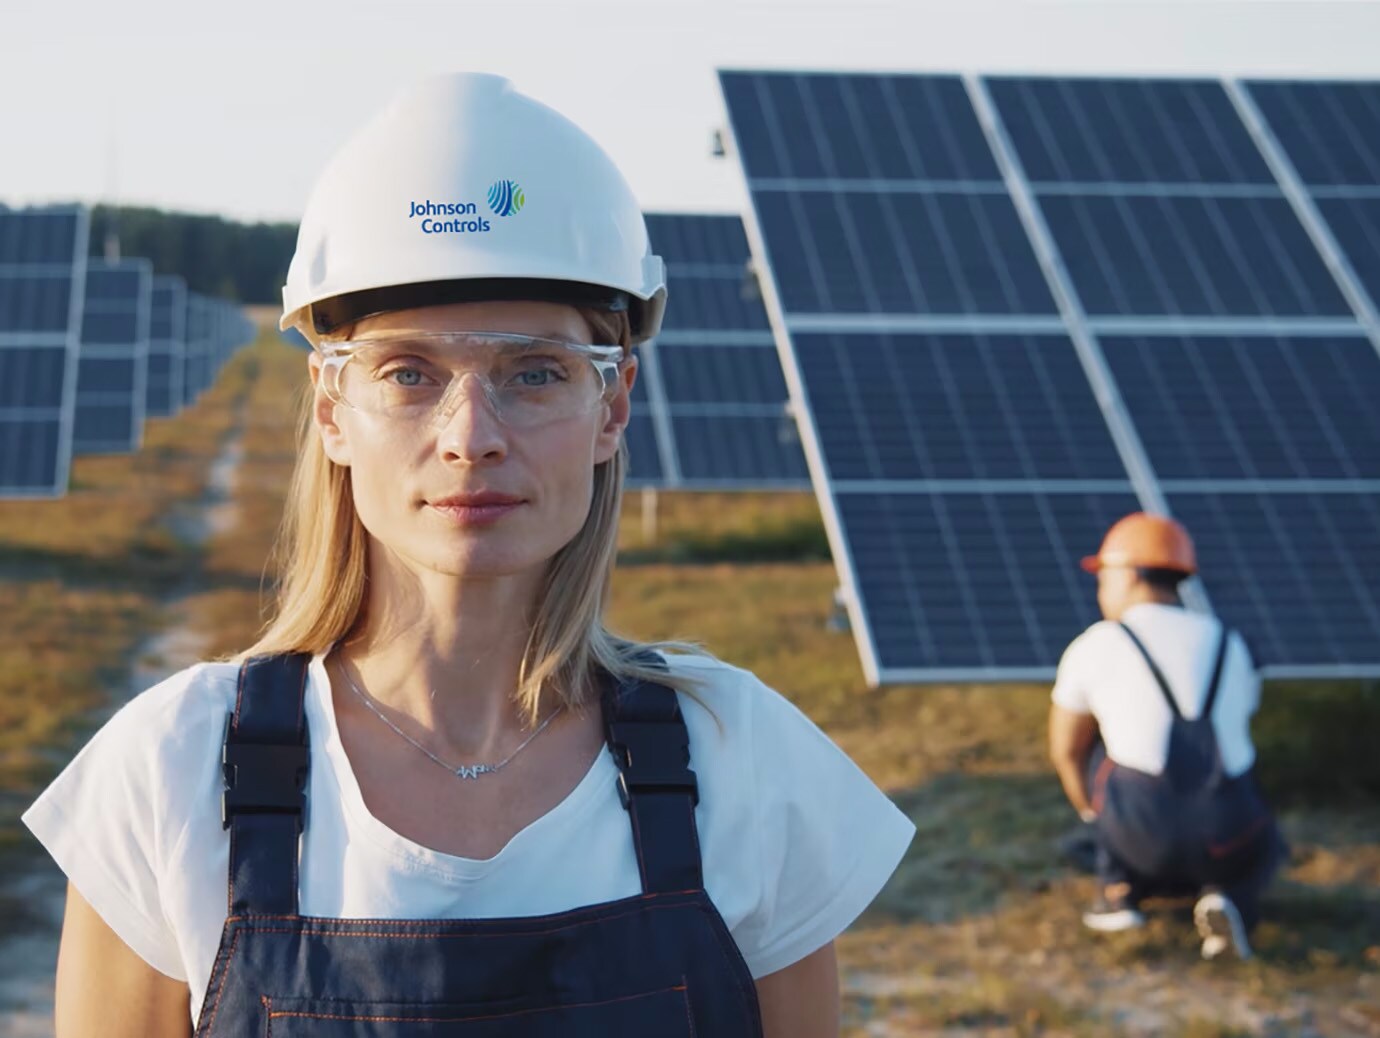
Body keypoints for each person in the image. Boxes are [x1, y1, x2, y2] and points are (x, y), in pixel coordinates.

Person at [22, 73, 915, 1037]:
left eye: (535, 373)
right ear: (332, 412)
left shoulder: (743, 762)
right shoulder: (173, 772)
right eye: (409, 373)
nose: (471, 435)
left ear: (611, 407)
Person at [1048, 512, 1281, 960]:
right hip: (1231, 836)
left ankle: (1116, 890)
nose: (1100, 590)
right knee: (1252, 807)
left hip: (1139, 831)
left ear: (1130, 576)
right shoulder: (1234, 643)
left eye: (1103, 577)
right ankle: (1230, 898)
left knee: (1101, 750)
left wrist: (1097, 825)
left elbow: (1064, 750)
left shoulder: (1096, 644)